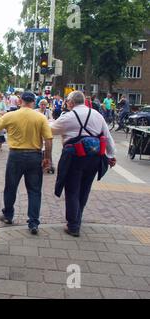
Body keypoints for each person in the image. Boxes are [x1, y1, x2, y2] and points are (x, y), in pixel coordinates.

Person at [51, 91, 117, 237]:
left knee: (72, 190)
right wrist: (111, 156)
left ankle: (73, 225)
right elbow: (107, 136)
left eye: (67, 101)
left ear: (71, 102)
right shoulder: (97, 115)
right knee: (84, 189)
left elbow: (51, 130)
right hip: (94, 158)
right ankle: (77, 219)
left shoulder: (68, 116)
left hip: (75, 158)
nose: (66, 103)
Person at [0, 92, 53, 235]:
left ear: (20, 101)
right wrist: (47, 158)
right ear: (34, 102)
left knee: (11, 186)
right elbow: (48, 139)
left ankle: (8, 215)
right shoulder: (40, 117)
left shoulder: (11, 115)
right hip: (35, 155)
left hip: (15, 155)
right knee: (34, 190)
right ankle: (33, 222)